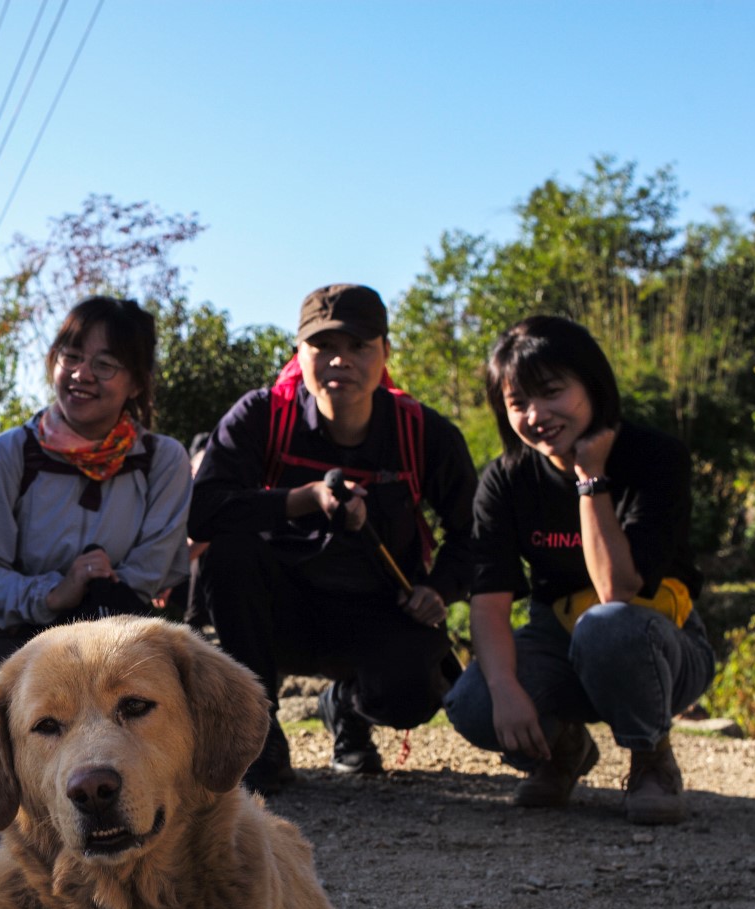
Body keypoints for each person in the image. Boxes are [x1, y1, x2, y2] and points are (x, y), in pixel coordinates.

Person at [188, 284, 476, 791]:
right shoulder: (260, 416)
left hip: (378, 611)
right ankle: (258, 732)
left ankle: (346, 706)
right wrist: (301, 499)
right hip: (277, 613)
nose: (340, 360)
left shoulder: (423, 432)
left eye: (359, 346)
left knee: (413, 693)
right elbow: (203, 513)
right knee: (227, 554)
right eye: (323, 347)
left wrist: (440, 590)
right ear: (299, 353)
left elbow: (475, 532)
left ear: (385, 353)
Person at [442, 315, 715, 824]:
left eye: (551, 392)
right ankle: (562, 750)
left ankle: (650, 757)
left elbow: (618, 589)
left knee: (607, 626)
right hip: (558, 633)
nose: (536, 414)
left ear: (592, 384)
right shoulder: (505, 481)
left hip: (659, 641)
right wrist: (504, 690)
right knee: (473, 702)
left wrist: (590, 479)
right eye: (518, 402)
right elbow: (489, 599)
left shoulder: (655, 457)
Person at [0, 297, 191, 699]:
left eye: (105, 365)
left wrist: (95, 592)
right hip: (14, 645)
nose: (82, 374)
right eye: (72, 356)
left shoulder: (162, 461)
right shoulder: (10, 453)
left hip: (120, 647)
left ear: (135, 382)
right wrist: (54, 593)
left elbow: (152, 571)